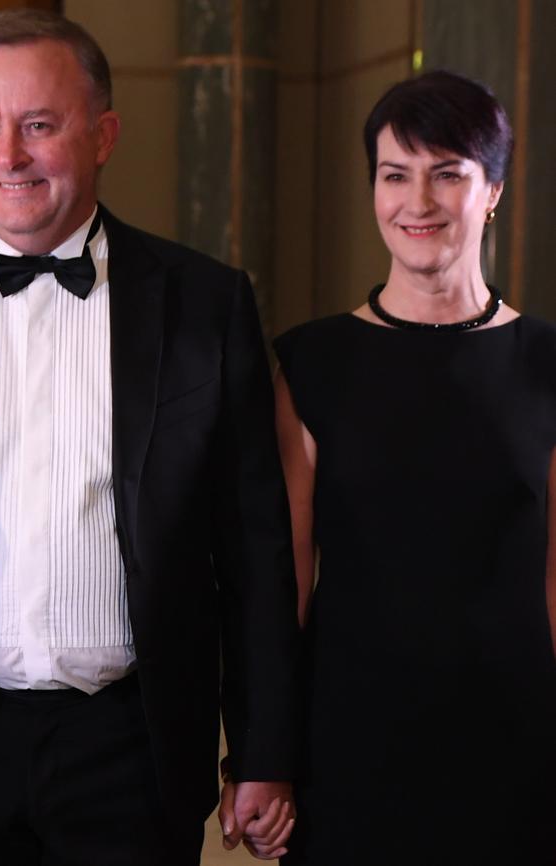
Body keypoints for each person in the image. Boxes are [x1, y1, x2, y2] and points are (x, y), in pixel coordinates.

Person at [0, 8, 299, 865]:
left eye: (38, 125)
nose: (6, 155)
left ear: (104, 134)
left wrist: (264, 751)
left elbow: (254, 550)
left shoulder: (206, 303)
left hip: (132, 750)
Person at [274, 70, 556, 865]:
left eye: (448, 174)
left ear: (493, 188)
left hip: (518, 741)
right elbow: (286, 584)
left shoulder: (544, 362)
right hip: (351, 743)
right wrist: (265, 757)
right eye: (395, 175)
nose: (417, 203)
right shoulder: (314, 361)